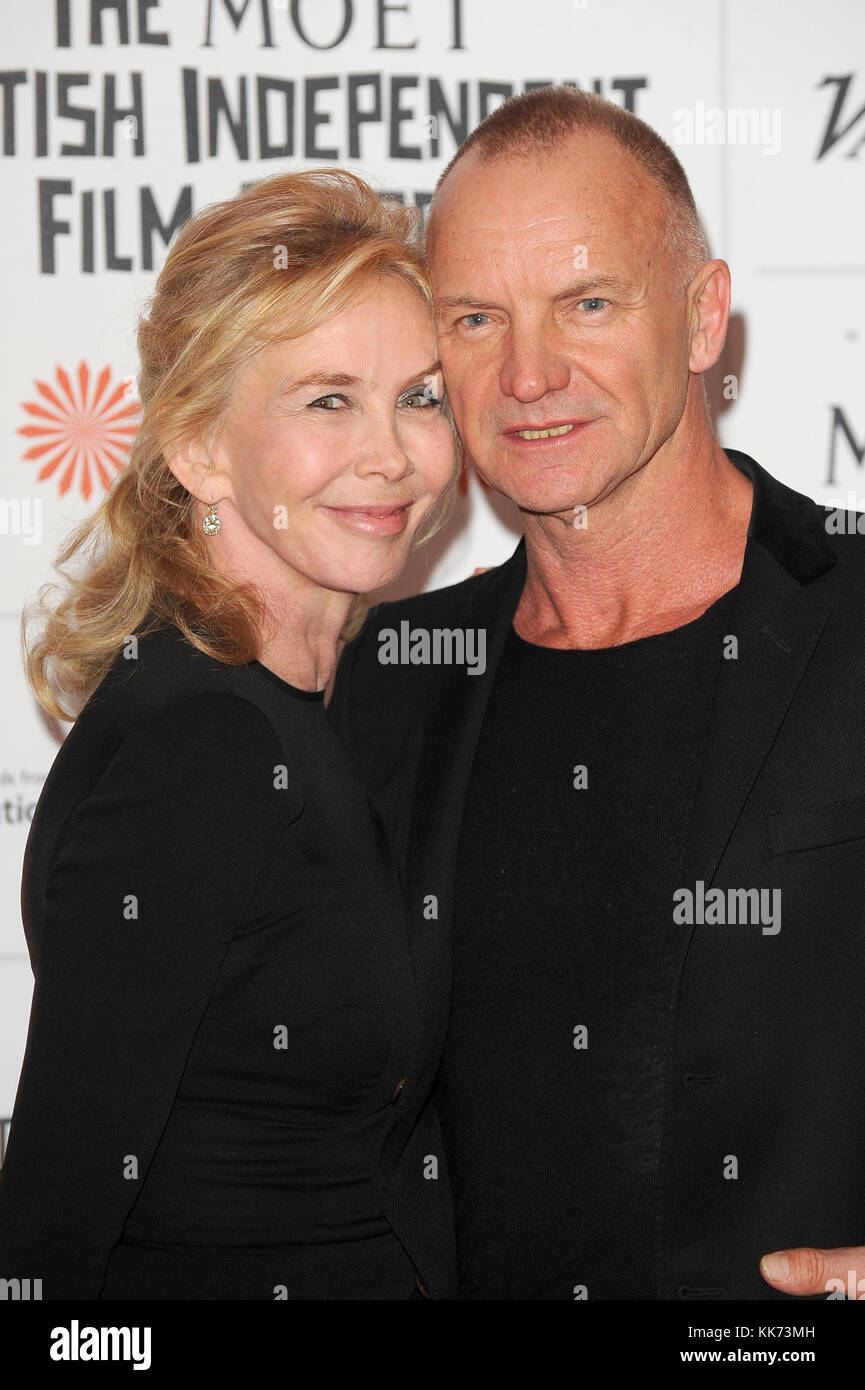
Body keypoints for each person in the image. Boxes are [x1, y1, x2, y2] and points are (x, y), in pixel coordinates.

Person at [329, 86, 865, 1300]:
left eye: (586, 302)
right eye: (475, 318)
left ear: (700, 316)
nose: (529, 373)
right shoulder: (387, 684)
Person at [0, 168, 458, 1300]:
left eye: (421, 395)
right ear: (199, 446)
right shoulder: (201, 741)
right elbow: (56, 1219)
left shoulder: (308, 706)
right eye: (327, 399)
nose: (391, 453)